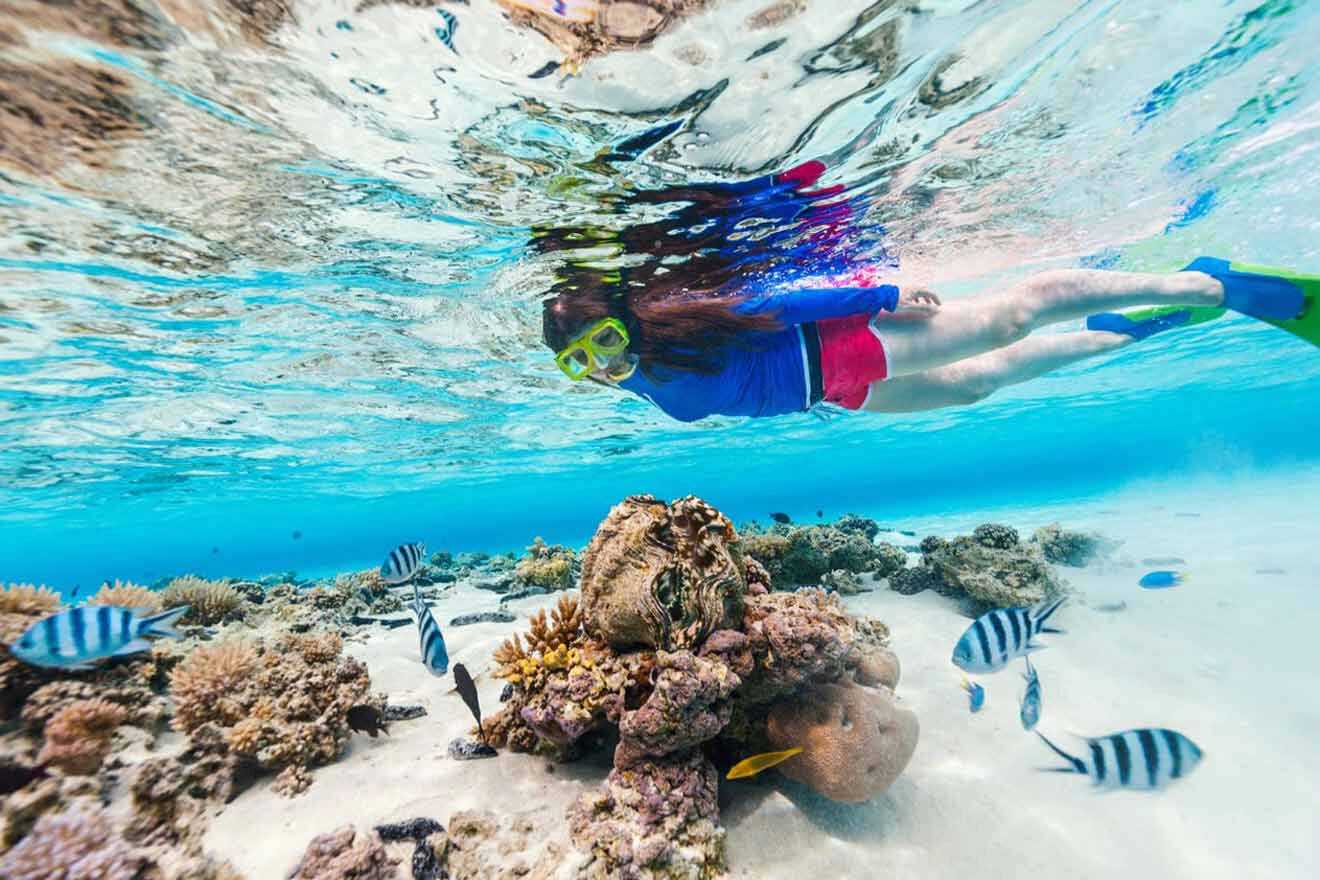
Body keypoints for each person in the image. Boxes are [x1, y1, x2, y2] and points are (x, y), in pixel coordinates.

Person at [539, 167, 1314, 423]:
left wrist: (882, 292)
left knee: (1015, 312)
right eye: (583, 363)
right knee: (980, 383)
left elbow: (774, 305)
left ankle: (1209, 281)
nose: (603, 364)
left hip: (836, 345)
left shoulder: (672, 319)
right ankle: (1136, 327)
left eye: (604, 342)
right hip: (831, 394)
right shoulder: (640, 384)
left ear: (622, 318)